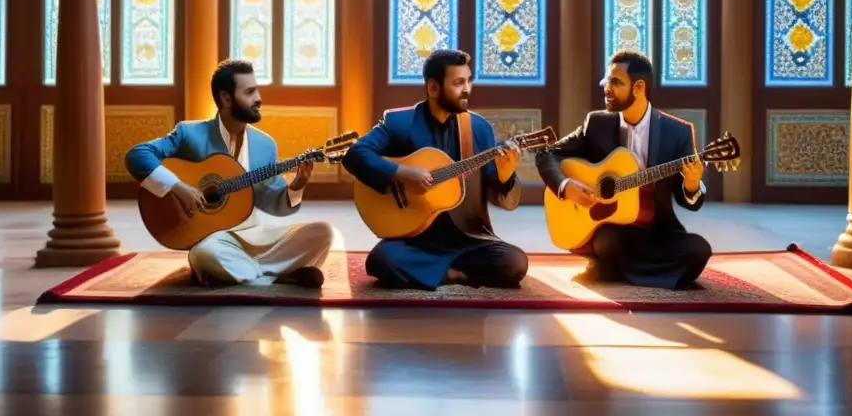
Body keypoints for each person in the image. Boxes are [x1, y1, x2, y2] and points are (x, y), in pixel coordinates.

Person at [125, 59, 333, 287]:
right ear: (226, 98)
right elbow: (137, 155)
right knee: (205, 255)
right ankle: (277, 273)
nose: (258, 99)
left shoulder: (265, 144)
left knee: (322, 232)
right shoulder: (190, 133)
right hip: (214, 240)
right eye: (250, 92)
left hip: (256, 235)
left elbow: (275, 204)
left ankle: (247, 274)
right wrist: (179, 187)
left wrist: (297, 187)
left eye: (257, 90)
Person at [343, 49, 529, 290]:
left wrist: (505, 177)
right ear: (433, 87)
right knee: (382, 260)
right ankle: (457, 274)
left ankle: (444, 273)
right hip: (415, 239)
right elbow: (355, 155)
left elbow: (502, 198)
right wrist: (401, 173)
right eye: (458, 82)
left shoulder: (479, 129)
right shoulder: (401, 123)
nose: (467, 89)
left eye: (469, 81)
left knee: (515, 262)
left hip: (466, 239)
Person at [535, 50, 711, 289]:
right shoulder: (596, 123)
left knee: (699, 250)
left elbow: (687, 200)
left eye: (615, 82)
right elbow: (548, 153)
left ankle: (611, 269)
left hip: (657, 230)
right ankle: (636, 269)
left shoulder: (677, 132)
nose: (606, 88)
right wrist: (567, 188)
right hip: (610, 227)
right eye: (606, 81)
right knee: (608, 242)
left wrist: (691, 185)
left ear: (638, 87)